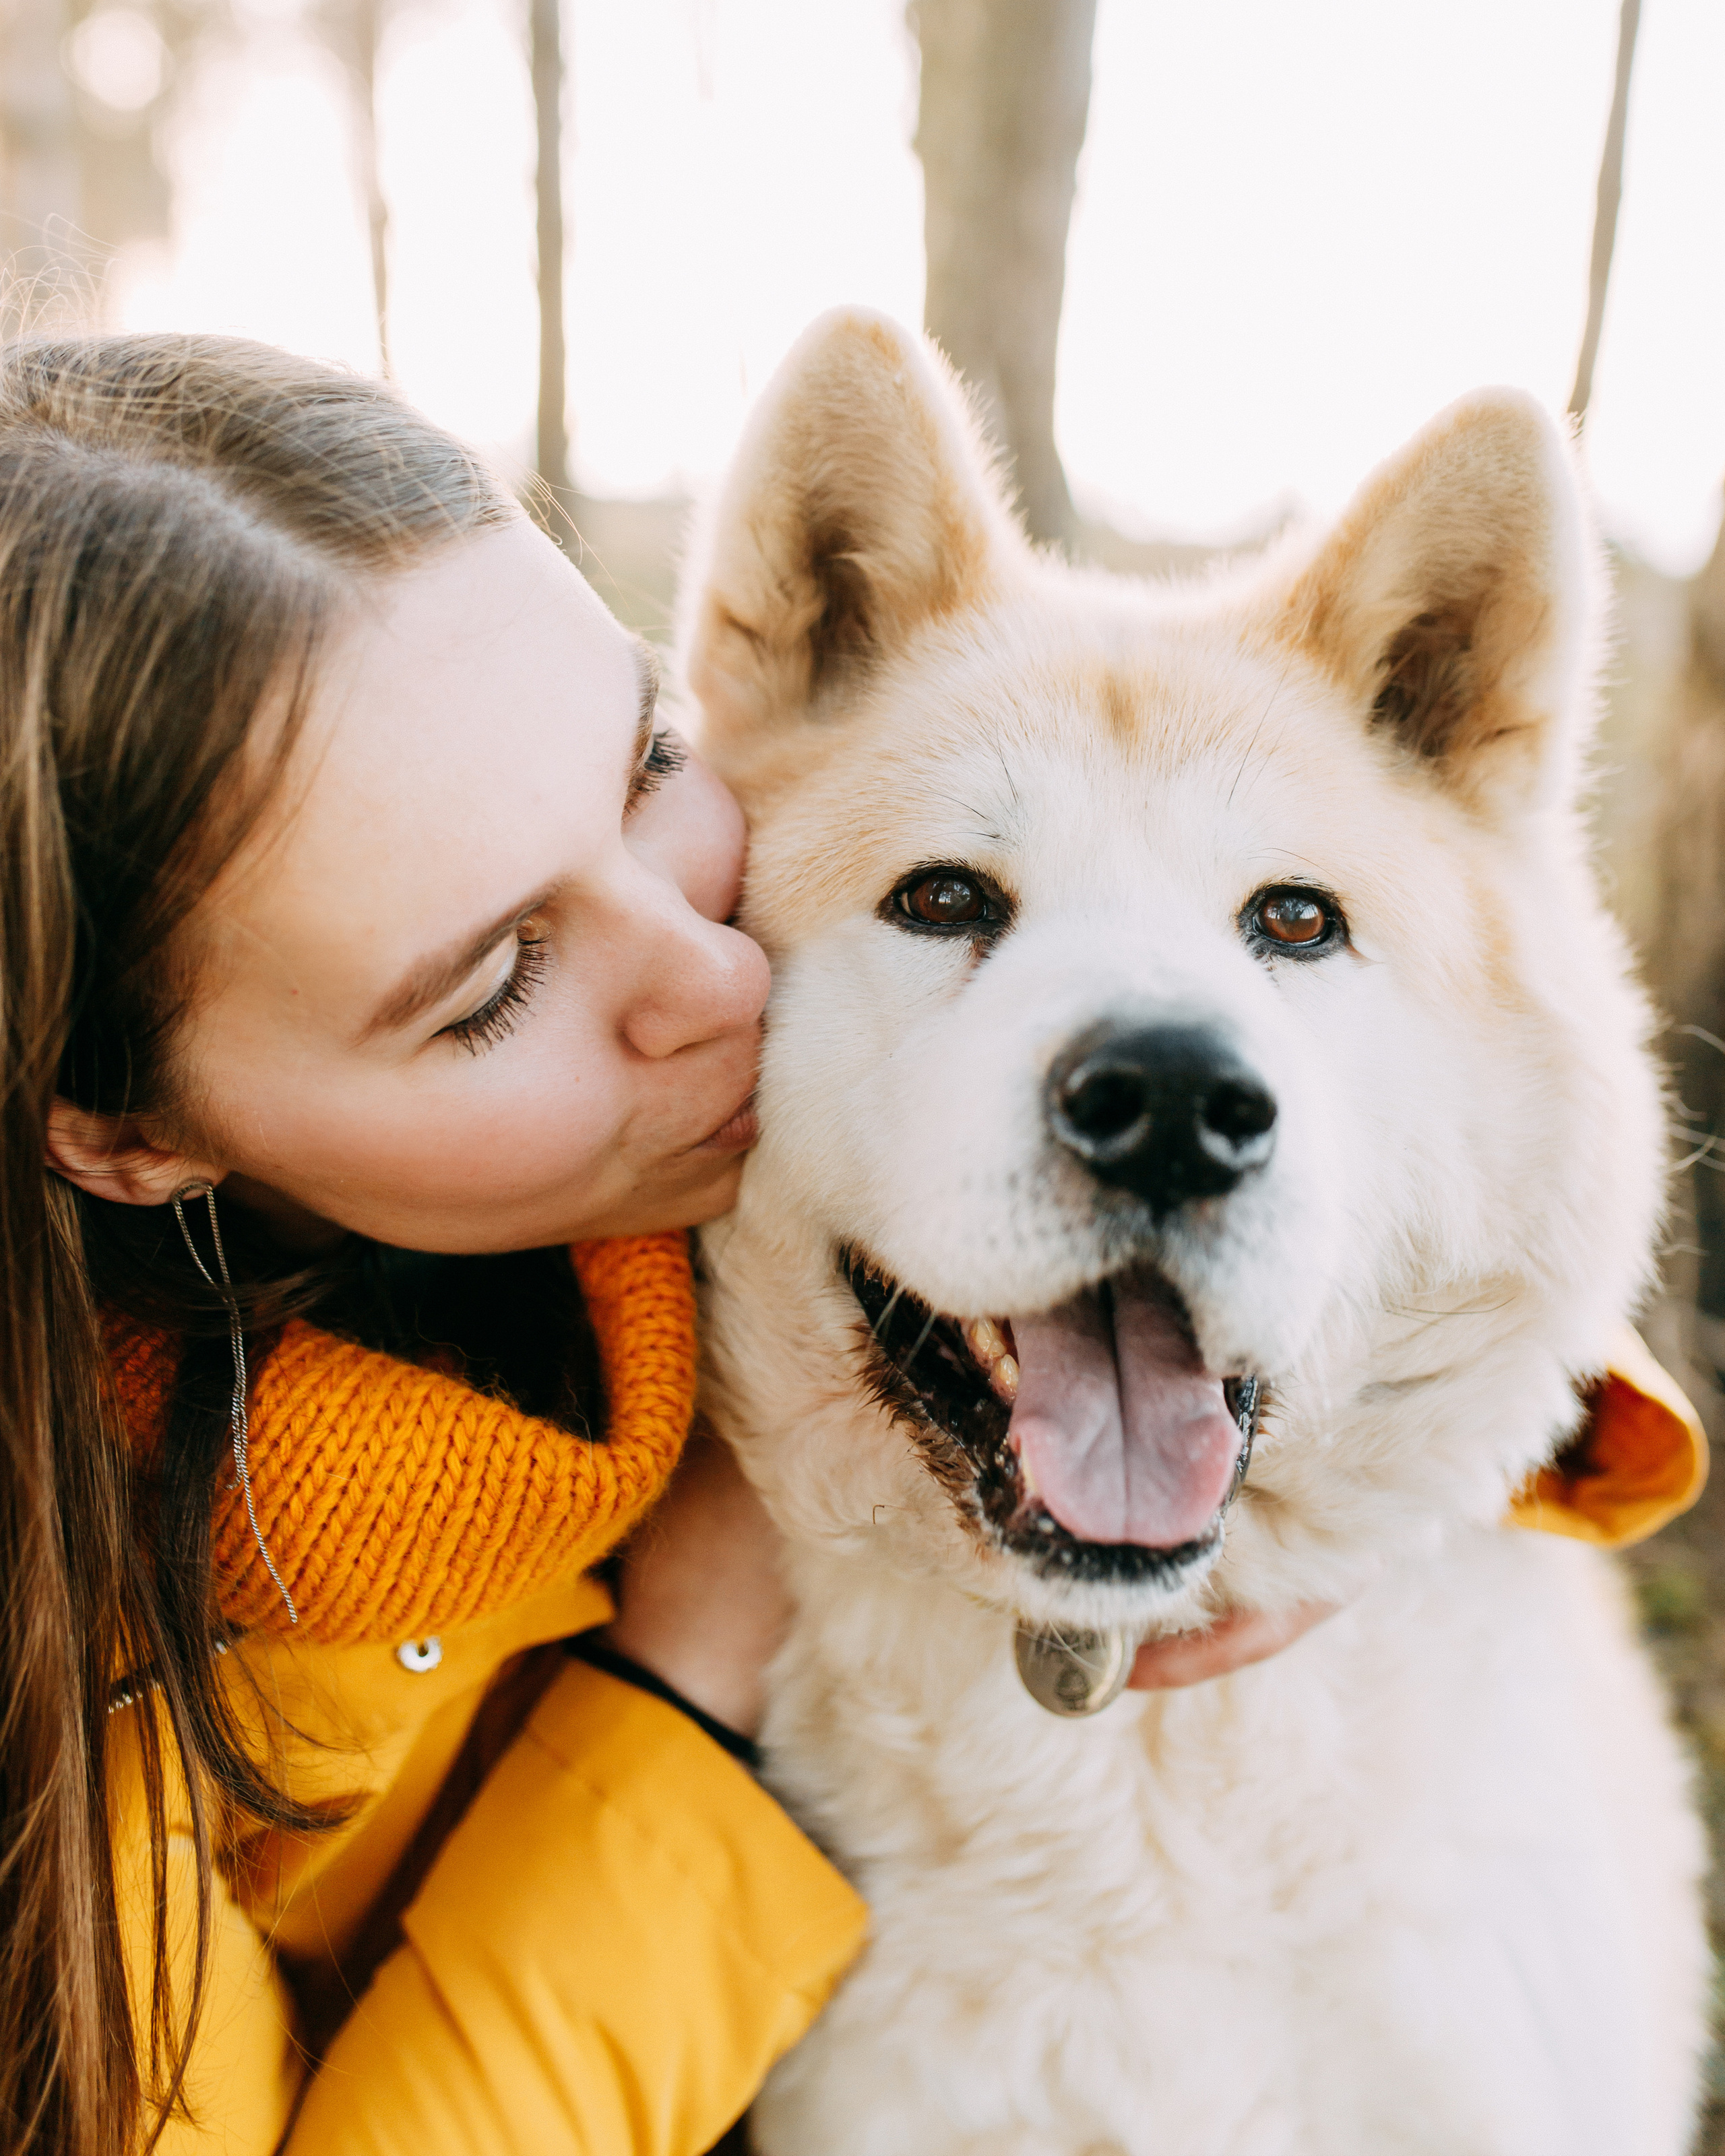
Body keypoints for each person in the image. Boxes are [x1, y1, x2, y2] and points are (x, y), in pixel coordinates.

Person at [1, 330, 1705, 2156]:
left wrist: (1465, 1406)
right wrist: (685, 1671)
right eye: (492, 982)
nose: (716, 968)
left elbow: (1480, 1136)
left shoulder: (676, 1148)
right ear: (127, 1132)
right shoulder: (92, 1709)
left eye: (646, 772)